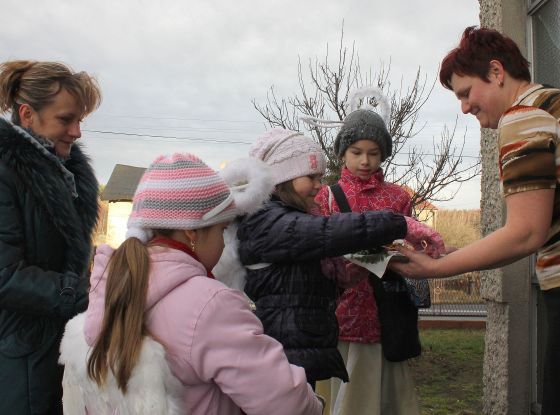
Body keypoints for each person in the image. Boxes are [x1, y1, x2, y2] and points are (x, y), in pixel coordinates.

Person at [391, 26, 560, 415]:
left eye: (465, 93)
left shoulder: (525, 118)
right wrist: (458, 251)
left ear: (496, 72)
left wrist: (437, 267)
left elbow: (526, 233)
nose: (463, 107)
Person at [60, 153, 323, 414]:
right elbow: (284, 401)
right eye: (221, 230)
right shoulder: (210, 305)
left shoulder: (112, 288)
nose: (224, 242)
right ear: (191, 232)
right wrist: (315, 404)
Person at [237, 127, 430, 389]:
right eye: (311, 177)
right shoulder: (269, 219)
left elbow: (315, 264)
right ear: (285, 176)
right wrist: (398, 224)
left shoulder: (292, 215)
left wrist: (345, 272)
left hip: (301, 346)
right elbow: (326, 232)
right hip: (285, 350)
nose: (319, 184)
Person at [311, 89, 446, 415]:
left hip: (384, 312)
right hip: (340, 313)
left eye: (373, 152)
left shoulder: (398, 197)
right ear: (343, 153)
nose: (365, 161)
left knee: (384, 397)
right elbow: (317, 251)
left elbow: (409, 243)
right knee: (343, 394)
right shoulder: (327, 197)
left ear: (383, 154)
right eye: (356, 151)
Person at [0, 60, 101, 414]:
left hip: (55, 348)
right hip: (18, 356)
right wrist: (87, 293)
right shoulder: (6, 174)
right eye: (65, 119)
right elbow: (5, 275)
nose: (76, 132)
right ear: (27, 115)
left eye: (80, 121)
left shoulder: (65, 176)